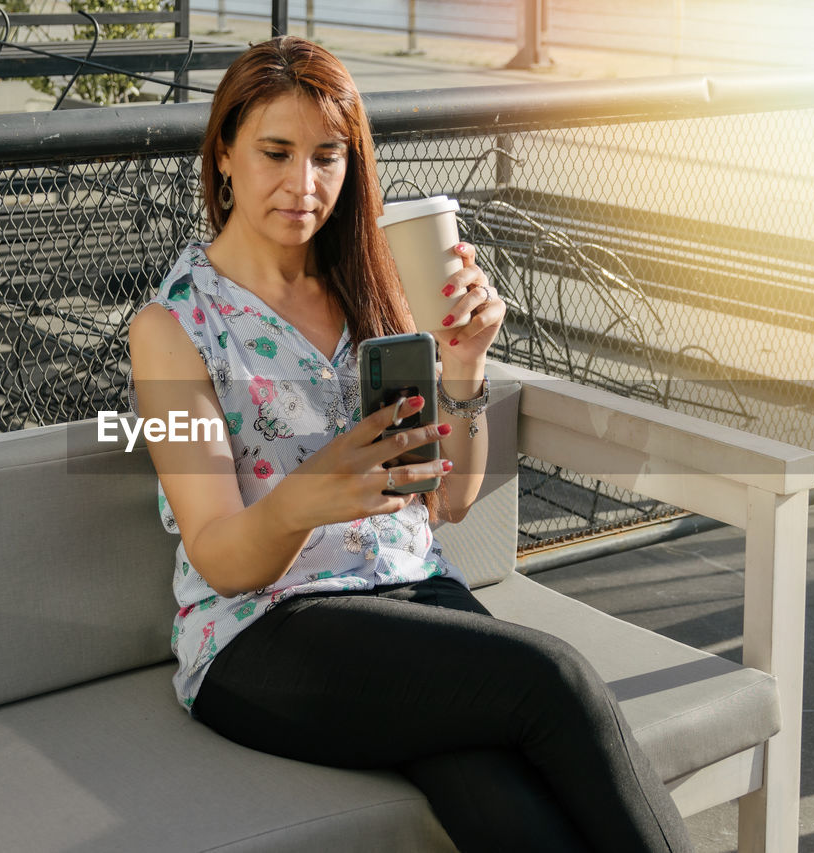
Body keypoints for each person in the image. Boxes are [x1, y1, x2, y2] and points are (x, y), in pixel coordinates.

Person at [126, 35, 694, 853]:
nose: (303, 184)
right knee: (555, 678)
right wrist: (302, 500)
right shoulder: (174, 327)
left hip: (410, 589)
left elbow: (452, 498)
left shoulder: (375, 283)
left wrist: (465, 366)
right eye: (275, 153)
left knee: (505, 806)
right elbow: (219, 557)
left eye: (328, 157)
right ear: (222, 155)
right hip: (263, 632)